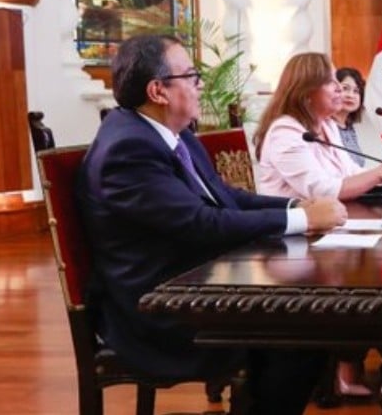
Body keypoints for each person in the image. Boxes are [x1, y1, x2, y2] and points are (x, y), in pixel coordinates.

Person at [76, 34, 346, 415]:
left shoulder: (172, 133)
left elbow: (226, 196)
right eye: (191, 75)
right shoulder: (128, 149)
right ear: (159, 90)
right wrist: (301, 219)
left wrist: (297, 205)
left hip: (192, 285)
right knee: (301, 332)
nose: (201, 85)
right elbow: (201, 224)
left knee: (305, 319)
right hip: (156, 310)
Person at [253, 52, 382, 201]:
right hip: (293, 227)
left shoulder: (328, 125)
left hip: (328, 220)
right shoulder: (284, 133)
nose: (339, 88)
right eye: (330, 82)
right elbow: (321, 191)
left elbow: (350, 171)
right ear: (306, 92)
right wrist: (380, 173)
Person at [333, 67, 367, 166]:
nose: (350, 95)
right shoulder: (324, 127)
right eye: (345, 88)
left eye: (356, 91)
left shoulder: (349, 128)